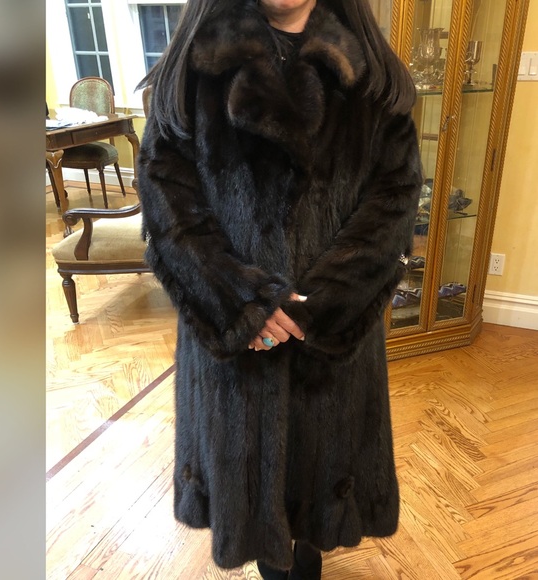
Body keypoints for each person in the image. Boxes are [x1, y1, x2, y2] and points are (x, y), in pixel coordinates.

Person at [136, 0, 422, 578]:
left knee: (315, 499)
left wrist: (322, 307)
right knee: (255, 500)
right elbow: (167, 202)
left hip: (330, 343)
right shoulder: (193, 67)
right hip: (237, 348)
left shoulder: (370, 72)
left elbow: (395, 195)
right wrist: (240, 302)